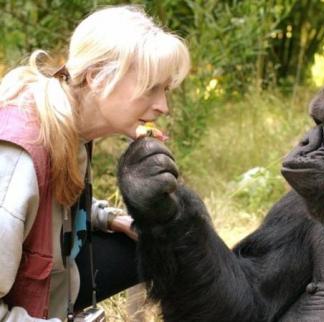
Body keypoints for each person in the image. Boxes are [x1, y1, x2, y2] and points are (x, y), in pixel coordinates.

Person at [0, 5, 190, 321]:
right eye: (151, 89)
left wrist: (107, 218)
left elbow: (49, 207)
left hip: (55, 288)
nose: (163, 107)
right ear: (98, 78)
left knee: (157, 244)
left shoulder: (68, 124)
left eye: (165, 90)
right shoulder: (17, 156)